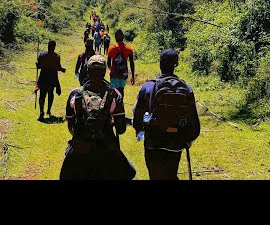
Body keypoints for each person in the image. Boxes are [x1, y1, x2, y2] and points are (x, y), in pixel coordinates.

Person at [59, 55, 136, 180]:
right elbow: (121, 129)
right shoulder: (115, 95)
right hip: (106, 147)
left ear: (87, 71)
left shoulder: (75, 94)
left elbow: (71, 125)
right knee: (129, 172)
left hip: (80, 147)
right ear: (105, 71)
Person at [132, 49, 200, 180]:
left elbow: (137, 118)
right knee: (170, 174)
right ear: (176, 65)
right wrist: (187, 138)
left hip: (154, 142)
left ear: (160, 63)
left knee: (155, 176)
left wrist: (141, 130)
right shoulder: (186, 89)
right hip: (176, 143)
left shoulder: (148, 87)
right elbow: (194, 123)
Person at [36, 40, 66, 120]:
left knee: (42, 95)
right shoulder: (56, 56)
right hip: (52, 78)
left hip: (43, 77)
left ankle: (41, 111)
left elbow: (38, 67)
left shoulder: (42, 55)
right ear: (54, 47)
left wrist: (37, 64)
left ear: (48, 46)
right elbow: (58, 67)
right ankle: (48, 110)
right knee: (50, 94)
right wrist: (62, 69)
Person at [107, 29, 135, 99]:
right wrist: (133, 76)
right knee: (121, 90)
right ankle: (121, 104)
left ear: (115, 37)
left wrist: (112, 70)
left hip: (114, 74)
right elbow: (132, 63)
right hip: (124, 73)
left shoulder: (111, 48)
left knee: (115, 91)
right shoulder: (129, 48)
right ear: (123, 37)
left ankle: (115, 106)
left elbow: (108, 63)